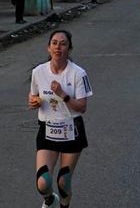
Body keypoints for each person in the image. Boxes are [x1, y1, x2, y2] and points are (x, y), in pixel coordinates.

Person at [28, 30, 92, 208]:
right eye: (54, 43)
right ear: (48, 48)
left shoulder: (78, 74)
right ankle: (50, 200)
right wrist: (34, 102)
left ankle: (64, 204)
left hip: (72, 130)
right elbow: (33, 96)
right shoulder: (38, 72)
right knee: (43, 182)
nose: (58, 47)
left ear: (69, 49)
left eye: (63, 44)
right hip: (48, 129)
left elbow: (82, 107)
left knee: (64, 182)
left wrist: (63, 95)